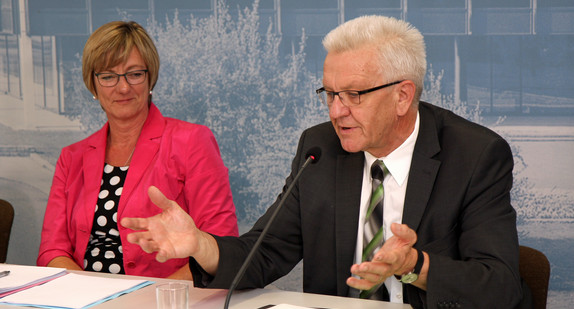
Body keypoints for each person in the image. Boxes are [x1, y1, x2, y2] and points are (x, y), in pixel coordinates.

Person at [121, 15, 532, 308]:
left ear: (403, 96)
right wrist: (201, 245)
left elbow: (500, 288)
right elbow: (265, 252)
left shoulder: (476, 155)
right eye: (330, 94)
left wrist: (414, 265)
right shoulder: (319, 148)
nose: (336, 112)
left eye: (355, 95)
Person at [37, 21, 238, 279]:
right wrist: (88, 296)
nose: (123, 88)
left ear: (150, 78)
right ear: (93, 85)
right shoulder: (71, 157)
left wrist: (148, 300)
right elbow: (52, 251)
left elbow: (221, 243)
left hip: (163, 299)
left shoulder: (192, 141)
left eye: (134, 74)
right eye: (108, 76)